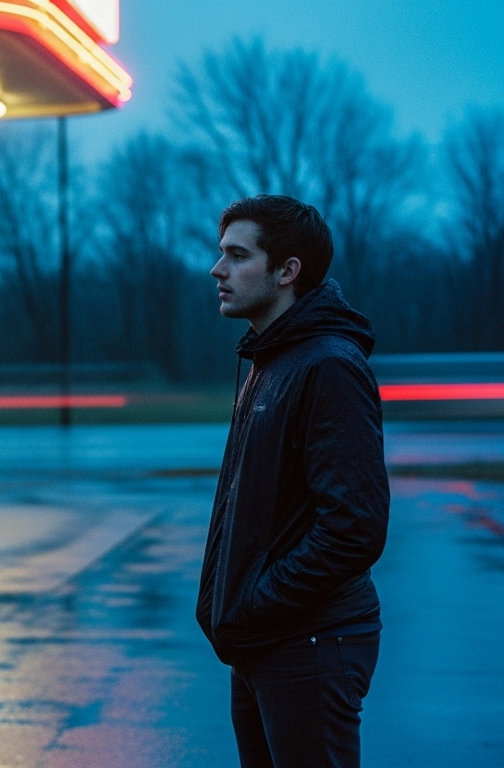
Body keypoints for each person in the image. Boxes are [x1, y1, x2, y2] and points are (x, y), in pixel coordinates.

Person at [197, 195, 390, 768]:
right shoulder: (272, 361)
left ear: (287, 271)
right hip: (265, 643)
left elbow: (354, 527)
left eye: (237, 255)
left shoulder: (327, 364)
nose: (218, 269)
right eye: (221, 253)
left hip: (308, 641)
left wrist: (258, 603)